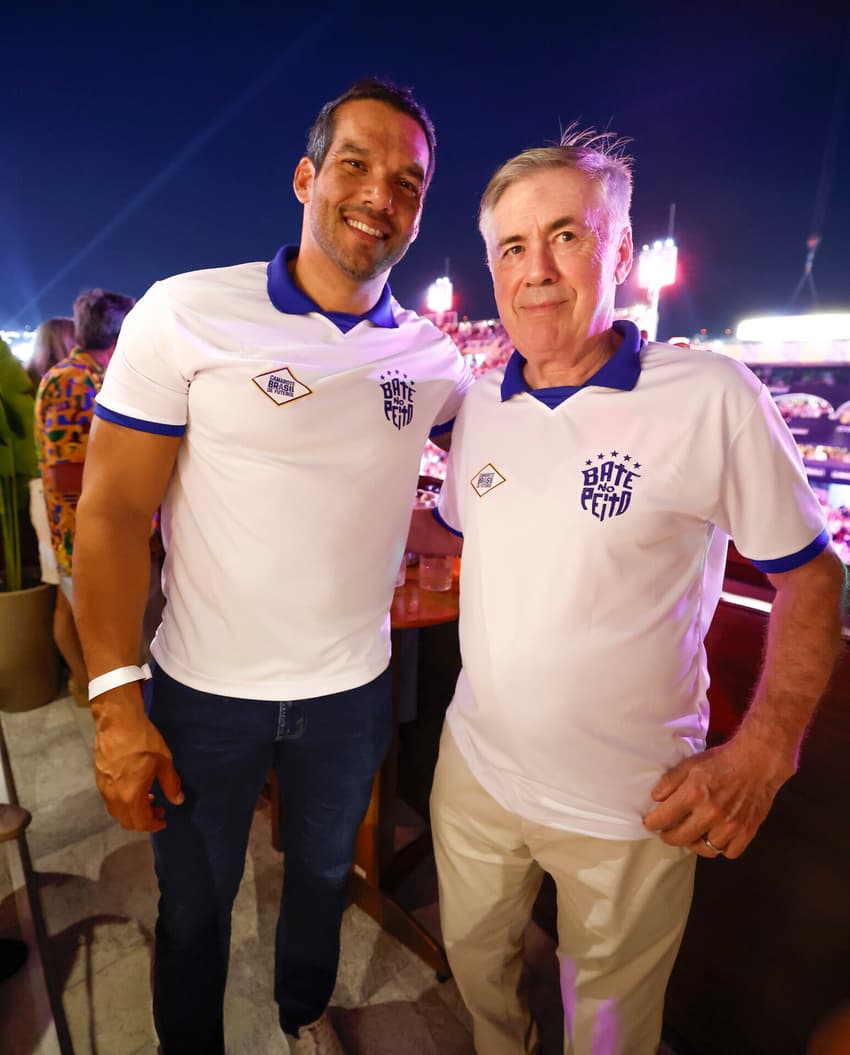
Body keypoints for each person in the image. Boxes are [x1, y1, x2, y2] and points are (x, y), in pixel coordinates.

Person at [408, 128, 846, 1055]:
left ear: (617, 248)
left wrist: (765, 750)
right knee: (478, 971)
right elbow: (450, 532)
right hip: (476, 770)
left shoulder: (711, 395)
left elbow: (811, 575)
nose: (537, 271)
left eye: (566, 236)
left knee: (611, 1033)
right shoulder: (483, 405)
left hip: (631, 806)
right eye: (512, 248)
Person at [72, 77, 472, 1055]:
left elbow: (517, 452)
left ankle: (300, 1015)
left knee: (325, 880)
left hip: (349, 692)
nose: (380, 193)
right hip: (205, 690)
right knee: (196, 904)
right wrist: (119, 702)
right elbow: (113, 514)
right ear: (304, 177)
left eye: (408, 182)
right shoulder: (186, 314)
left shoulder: (432, 358)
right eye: (355, 163)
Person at [33, 291, 135, 707]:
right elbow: (63, 474)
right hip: (88, 540)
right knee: (106, 639)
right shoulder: (71, 381)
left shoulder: (91, 374)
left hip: (98, 536)